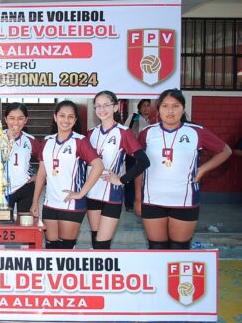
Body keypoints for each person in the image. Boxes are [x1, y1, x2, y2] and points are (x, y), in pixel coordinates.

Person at [135, 89, 232, 250]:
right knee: (157, 247)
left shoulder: (195, 131)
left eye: (175, 106)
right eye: (165, 106)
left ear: (183, 108)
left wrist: (202, 170)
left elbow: (225, 151)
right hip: (153, 200)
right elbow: (139, 166)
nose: (170, 111)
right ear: (158, 109)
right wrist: (138, 198)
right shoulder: (147, 133)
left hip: (184, 200)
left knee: (179, 248)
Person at [31, 100, 104, 249]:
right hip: (49, 203)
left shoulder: (80, 141)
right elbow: (41, 174)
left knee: (65, 249)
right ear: (55, 117)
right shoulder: (47, 141)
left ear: (75, 120)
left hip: (71, 204)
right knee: (51, 247)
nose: (66, 120)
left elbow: (98, 166)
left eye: (71, 117)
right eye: (62, 116)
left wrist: (81, 193)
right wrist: (34, 201)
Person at [86, 91, 150, 249]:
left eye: (106, 105)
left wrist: (121, 179)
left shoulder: (123, 132)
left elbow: (144, 161)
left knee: (102, 243)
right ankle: (97, 274)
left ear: (115, 107)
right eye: (98, 106)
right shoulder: (90, 134)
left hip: (111, 195)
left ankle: (102, 273)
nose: (102, 109)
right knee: (95, 240)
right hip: (91, 193)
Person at [0, 102, 41, 219]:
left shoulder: (30, 140)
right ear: (5, 119)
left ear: (26, 120)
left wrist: (36, 176)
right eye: (11, 118)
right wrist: (8, 141)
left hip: (26, 187)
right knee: (2, 223)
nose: (16, 122)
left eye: (20, 118)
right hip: (4, 187)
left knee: (25, 225)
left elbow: (45, 162)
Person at [123, 99, 152, 211]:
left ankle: (143, 201)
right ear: (139, 108)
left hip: (146, 154)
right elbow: (126, 132)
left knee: (144, 178)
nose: (146, 108)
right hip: (132, 153)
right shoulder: (134, 117)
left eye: (148, 106)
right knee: (131, 177)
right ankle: (129, 204)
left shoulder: (152, 121)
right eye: (143, 106)